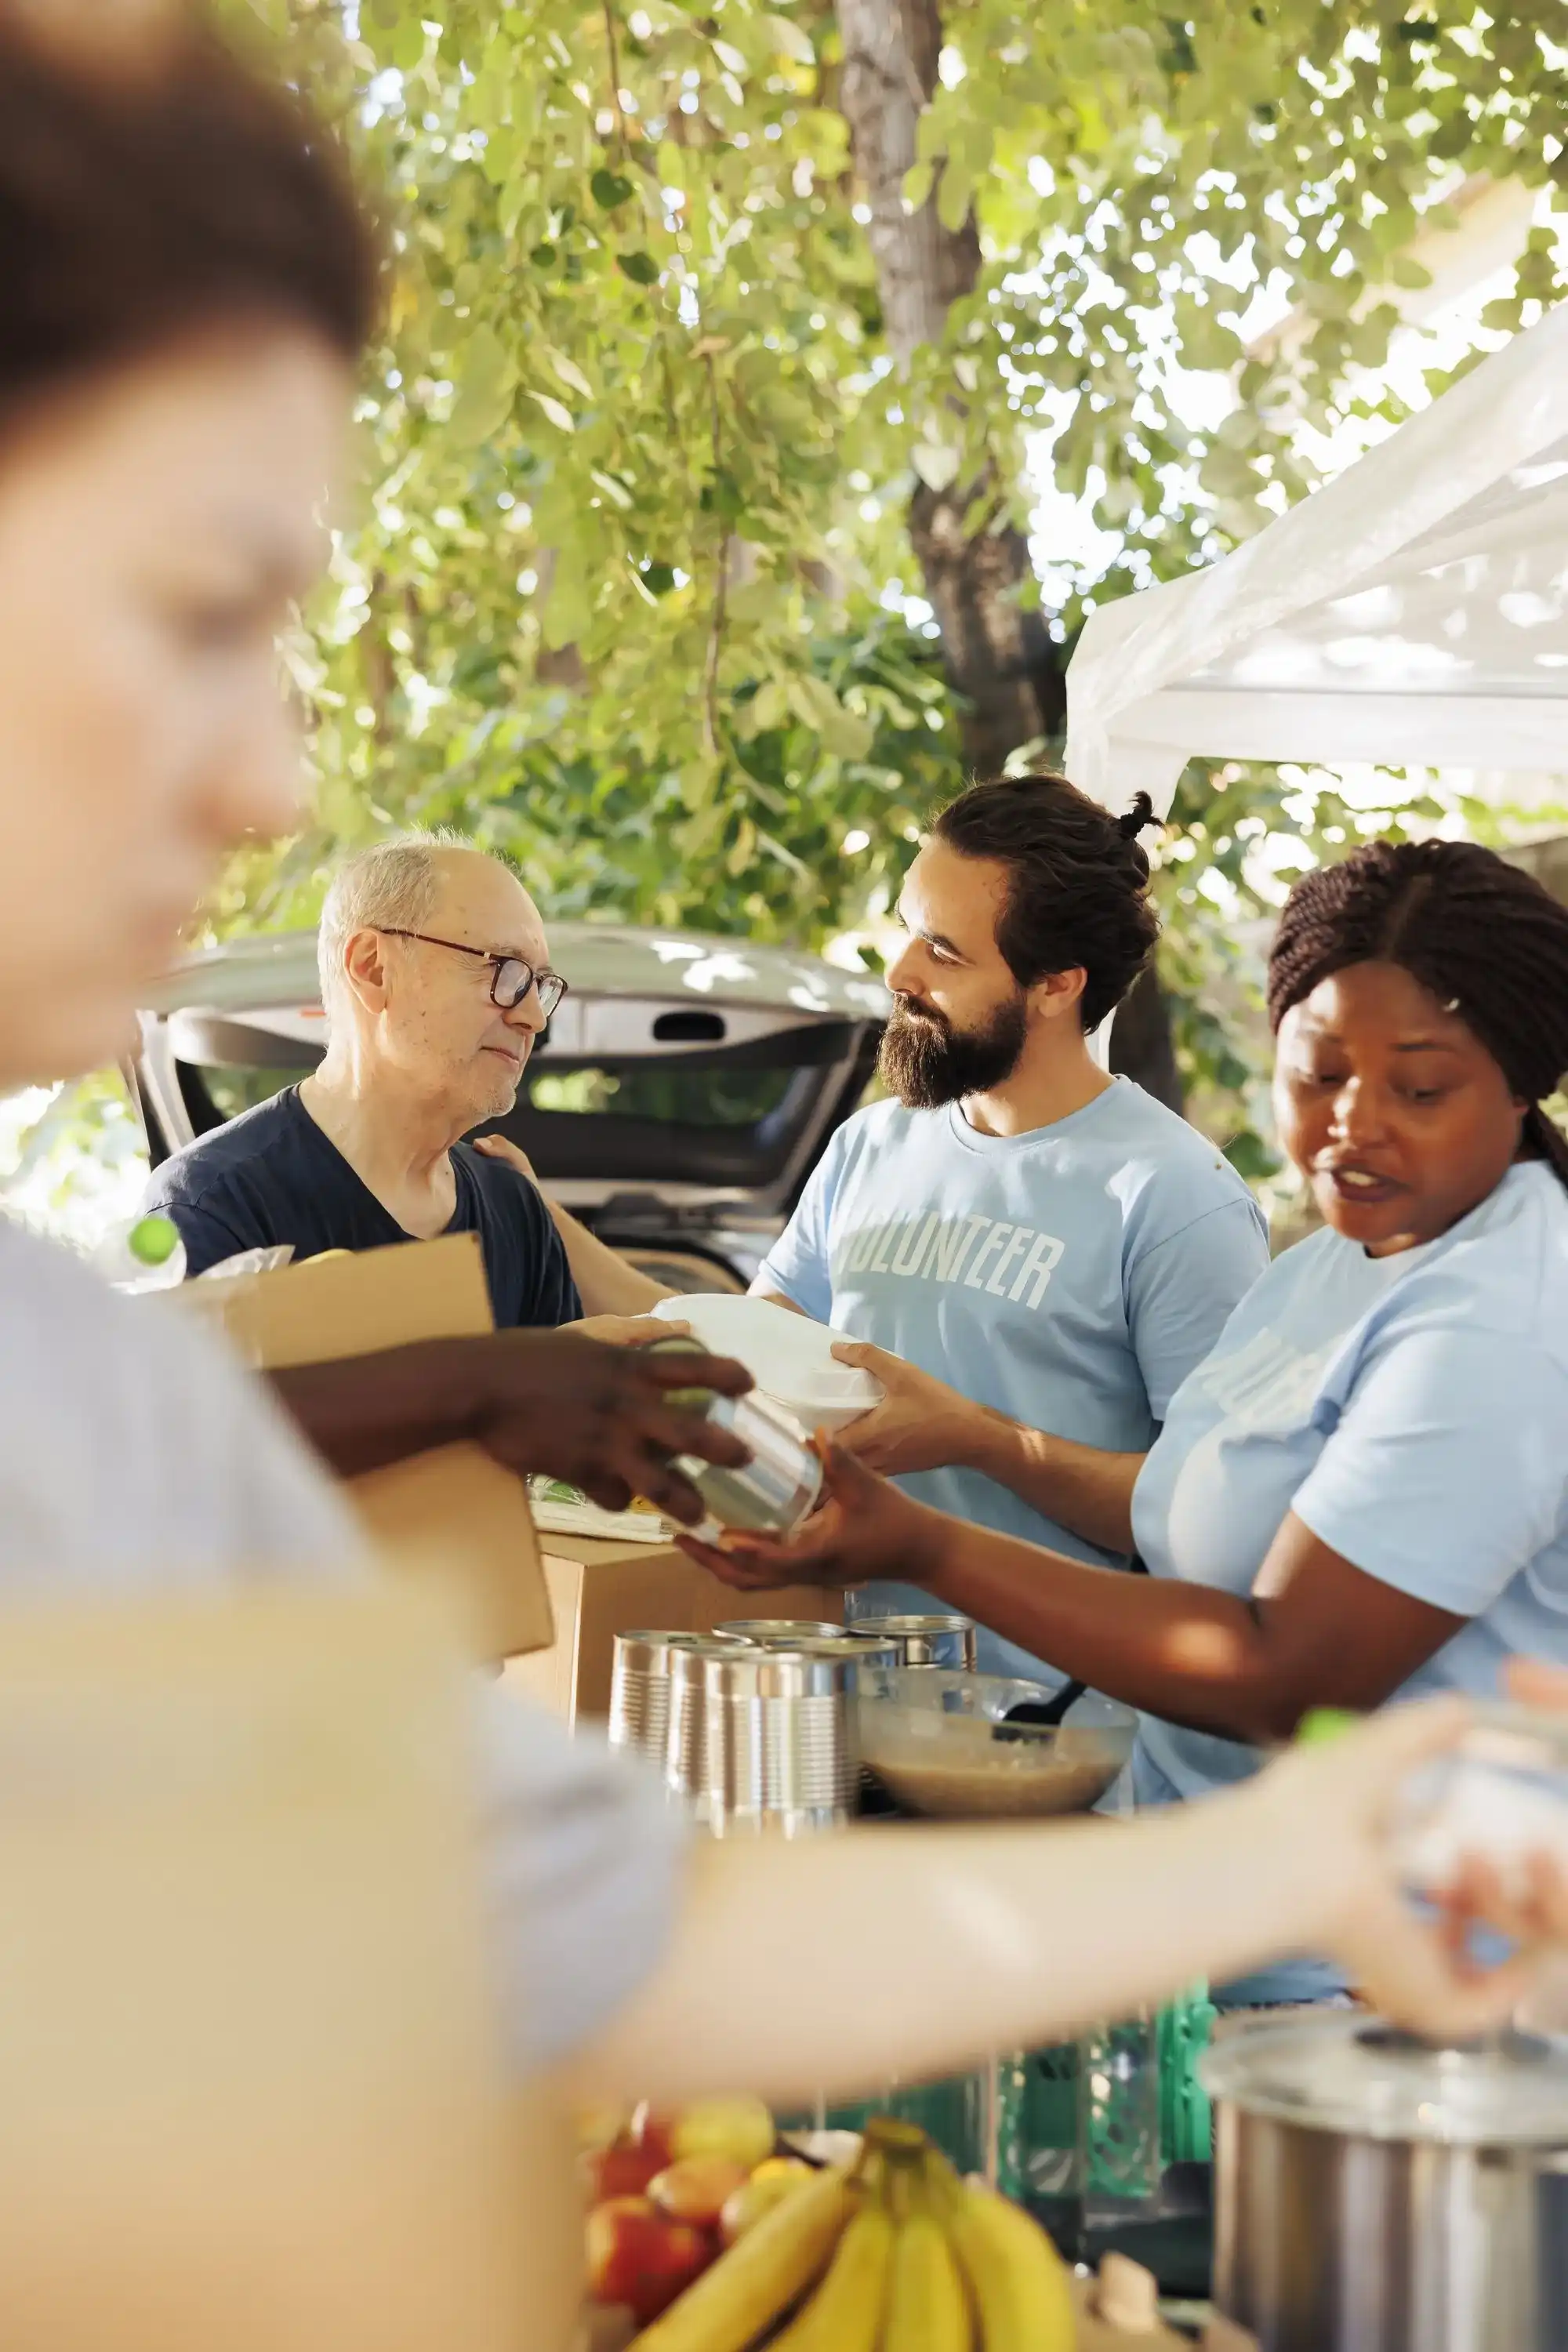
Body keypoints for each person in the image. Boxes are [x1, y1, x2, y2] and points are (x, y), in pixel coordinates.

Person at [0, 0, 1560, 2122]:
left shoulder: (1220, 1220)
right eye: (196, 608)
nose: (272, 770)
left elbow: (584, 1932)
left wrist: (1270, 1842)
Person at [682, 837, 1568, 2004]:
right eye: (1316, 1073)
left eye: (1420, 1086)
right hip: (1212, 1922)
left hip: (1402, 1980)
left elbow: (1279, 1674)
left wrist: (920, 1539)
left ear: (1518, 1082)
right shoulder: (1333, 1267)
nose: (1355, 1125)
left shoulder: (1500, 1313)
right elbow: (1171, 1533)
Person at [746, 775, 1269, 1681]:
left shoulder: (1176, 1198)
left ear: (1055, 986)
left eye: (943, 952)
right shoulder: (868, 1145)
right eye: (909, 927)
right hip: (827, 1708)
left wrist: (981, 1439)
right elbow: (760, 1353)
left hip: (1051, 1750)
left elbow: (1215, 1520)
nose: (899, 971)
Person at [144, 833, 662, 1338]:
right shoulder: (214, 1205)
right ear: (373, 969)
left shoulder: (513, 1208)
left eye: (540, 986)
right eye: (505, 972)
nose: (533, 1017)